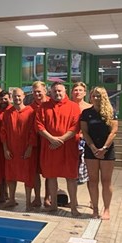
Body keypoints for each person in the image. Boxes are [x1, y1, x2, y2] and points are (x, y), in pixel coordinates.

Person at [35, 82, 82, 216]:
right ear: (51, 92)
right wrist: (52, 139)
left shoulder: (73, 107)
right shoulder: (44, 107)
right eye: (55, 91)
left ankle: (73, 206)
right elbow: (39, 126)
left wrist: (60, 140)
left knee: (71, 177)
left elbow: (75, 127)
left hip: (68, 147)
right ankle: (53, 205)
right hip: (50, 147)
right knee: (51, 177)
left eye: (60, 91)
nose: (57, 93)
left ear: (65, 91)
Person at [81, 87, 118, 220]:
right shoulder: (86, 113)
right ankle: (95, 208)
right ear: (90, 97)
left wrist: (104, 148)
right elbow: (84, 132)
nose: (96, 98)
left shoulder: (111, 112)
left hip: (107, 150)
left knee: (106, 180)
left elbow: (113, 132)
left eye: (99, 96)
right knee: (93, 180)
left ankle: (106, 209)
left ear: (104, 97)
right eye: (94, 96)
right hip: (91, 150)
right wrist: (92, 147)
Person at [1, 88, 37, 210]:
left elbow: (33, 132)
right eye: (15, 96)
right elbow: (3, 132)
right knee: (11, 175)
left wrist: (30, 148)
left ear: (24, 96)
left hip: (25, 149)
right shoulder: (7, 113)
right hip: (11, 149)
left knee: (28, 176)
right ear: (12, 97)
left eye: (19, 96)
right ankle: (11, 199)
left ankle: (28, 201)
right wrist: (5, 148)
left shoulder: (31, 112)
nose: (17, 98)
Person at [30, 81, 50, 208]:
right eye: (35, 92)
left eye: (39, 91)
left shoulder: (51, 105)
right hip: (35, 144)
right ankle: (37, 197)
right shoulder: (30, 108)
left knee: (49, 172)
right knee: (35, 172)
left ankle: (47, 198)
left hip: (48, 142)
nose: (37, 94)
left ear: (45, 91)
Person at [71, 81, 92, 186]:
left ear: (85, 93)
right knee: (72, 174)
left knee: (89, 174)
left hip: (86, 142)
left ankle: (93, 201)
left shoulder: (90, 108)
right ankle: (73, 201)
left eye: (80, 90)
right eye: (75, 90)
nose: (77, 92)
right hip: (71, 141)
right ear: (71, 92)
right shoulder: (68, 106)